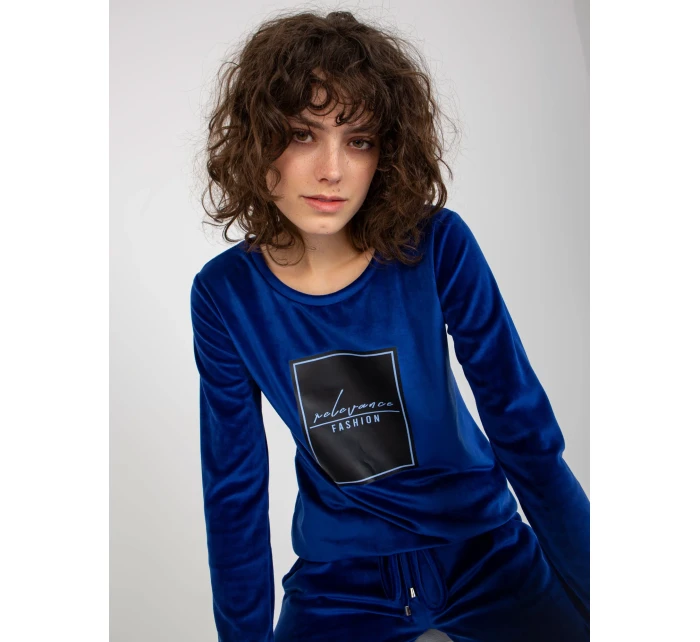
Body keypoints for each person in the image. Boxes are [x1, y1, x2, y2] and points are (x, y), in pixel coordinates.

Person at [190, 9, 590, 642]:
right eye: (301, 134)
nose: (332, 170)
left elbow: (524, 431)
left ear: (387, 152)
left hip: (483, 548)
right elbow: (233, 488)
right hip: (339, 579)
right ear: (257, 141)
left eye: (359, 140)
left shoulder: (436, 246)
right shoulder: (225, 294)